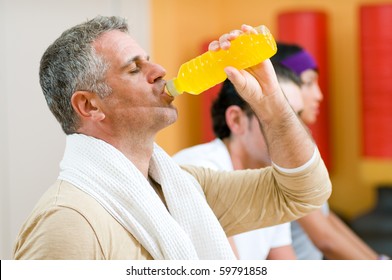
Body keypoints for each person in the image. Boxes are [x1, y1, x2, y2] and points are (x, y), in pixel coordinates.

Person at [12, 16, 331, 260]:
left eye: (148, 59)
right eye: (134, 68)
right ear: (89, 105)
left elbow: (305, 192)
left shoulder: (187, 190)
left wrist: (270, 101)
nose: (160, 70)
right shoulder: (68, 223)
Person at [173, 63, 304, 260]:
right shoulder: (199, 169)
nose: (297, 131)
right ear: (236, 120)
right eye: (280, 117)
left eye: (296, 118)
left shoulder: (273, 180)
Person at [271, 42, 382, 260]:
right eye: (309, 83)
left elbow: (326, 217)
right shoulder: (278, 152)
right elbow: (325, 238)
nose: (319, 95)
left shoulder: (302, 145)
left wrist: (379, 262)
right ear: (285, 87)